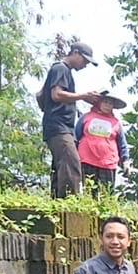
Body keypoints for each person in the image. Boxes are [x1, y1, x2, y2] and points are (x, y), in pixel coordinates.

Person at [39, 41, 100, 198]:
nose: (85, 65)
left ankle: (57, 203)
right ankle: (70, 205)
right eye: (84, 60)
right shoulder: (60, 68)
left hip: (60, 127)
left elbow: (43, 95)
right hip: (59, 127)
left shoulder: (63, 71)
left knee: (60, 167)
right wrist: (83, 96)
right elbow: (56, 94)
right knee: (71, 165)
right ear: (75, 53)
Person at [75, 93, 129, 196]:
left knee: (107, 194)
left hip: (108, 163)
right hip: (87, 160)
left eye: (110, 103)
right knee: (89, 193)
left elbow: (122, 143)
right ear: (99, 103)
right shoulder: (87, 117)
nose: (107, 105)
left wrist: (126, 161)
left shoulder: (116, 122)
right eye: (105, 102)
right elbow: (75, 136)